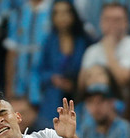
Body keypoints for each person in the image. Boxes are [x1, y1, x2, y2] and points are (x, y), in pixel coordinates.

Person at [35, 0, 91, 131]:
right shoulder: (49, 41)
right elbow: (40, 71)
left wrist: (75, 83)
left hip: (79, 97)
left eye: (66, 12)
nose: (62, 17)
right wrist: (53, 78)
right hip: (53, 99)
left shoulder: (85, 40)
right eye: (57, 13)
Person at [80, 2, 130, 88]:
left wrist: (109, 51)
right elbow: (82, 86)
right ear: (101, 22)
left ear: (126, 22)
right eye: (107, 19)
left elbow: (125, 81)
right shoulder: (91, 51)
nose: (112, 24)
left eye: (117, 20)